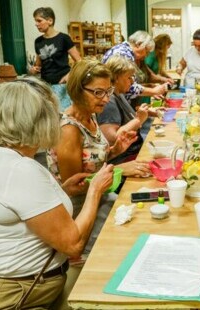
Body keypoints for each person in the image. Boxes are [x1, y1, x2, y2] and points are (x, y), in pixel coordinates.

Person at [0, 78, 114, 309]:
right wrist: (94, 191)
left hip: (24, 286)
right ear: (40, 121)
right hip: (11, 296)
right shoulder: (21, 170)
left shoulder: (3, 157)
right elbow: (73, 245)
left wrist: (62, 191)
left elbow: (24, 207)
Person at [47, 59, 150, 258]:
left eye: (108, 91)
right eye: (98, 92)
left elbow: (91, 161)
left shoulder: (90, 115)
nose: (105, 99)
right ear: (77, 89)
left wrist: (115, 150)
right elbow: (75, 186)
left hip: (98, 197)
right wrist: (120, 170)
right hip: (80, 212)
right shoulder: (69, 129)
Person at [98, 56, 149, 164]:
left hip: (134, 151)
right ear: (116, 78)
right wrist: (138, 120)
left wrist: (145, 113)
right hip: (124, 160)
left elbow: (126, 120)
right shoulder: (109, 102)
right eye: (129, 77)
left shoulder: (119, 94)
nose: (132, 81)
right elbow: (112, 139)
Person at [29, 7, 81, 111]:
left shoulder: (64, 38)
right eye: (35, 21)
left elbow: (80, 61)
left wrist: (69, 74)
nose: (36, 24)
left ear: (50, 21)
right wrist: (33, 70)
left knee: (63, 115)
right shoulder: (38, 42)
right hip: (45, 87)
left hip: (62, 86)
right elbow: (38, 65)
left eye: (39, 20)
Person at [102, 30, 170, 99]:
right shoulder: (124, 54)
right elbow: (128, 88)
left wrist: (148, 86)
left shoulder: (124, 49)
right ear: (139, 44)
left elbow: (129, 84)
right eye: (146, 52)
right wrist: (153, 91)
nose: (146, 56)